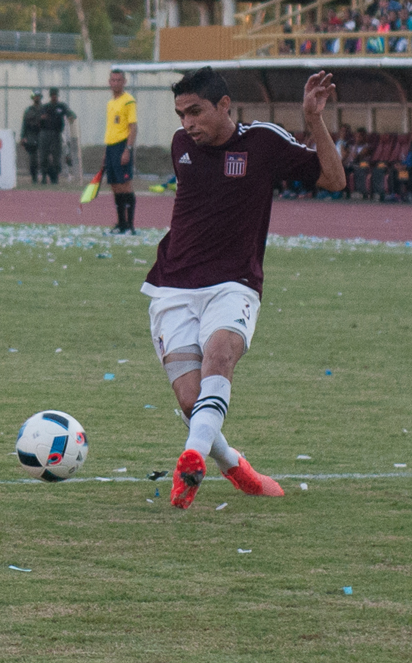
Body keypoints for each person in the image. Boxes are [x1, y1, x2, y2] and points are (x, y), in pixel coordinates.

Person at [141, 67, 345, 509]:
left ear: (224, 105)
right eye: (180, 115)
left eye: (195, 112)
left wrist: (314, 120)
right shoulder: (182, 148)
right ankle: (235, 466)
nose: (187, 124)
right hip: (172, 286)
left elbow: (334, 180)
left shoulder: (263, 142)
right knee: (191, 401)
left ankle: (191, 458)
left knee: (220, 355)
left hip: (234, 284)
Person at [104, 70, 138, 234]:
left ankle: (130, 224)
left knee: (125, 185)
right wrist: (106, 152)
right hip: (111, 147)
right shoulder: (111, 103)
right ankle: (121, 223)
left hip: (122, 146)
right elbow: (111, 127)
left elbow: (133, 127)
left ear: (124, 82)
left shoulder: (128, 101)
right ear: (109, 82)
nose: (115, 83)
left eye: (118, 80)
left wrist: (128, 149)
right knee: (115, 186)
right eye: (113, 80)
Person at [38, 87, 76, 185]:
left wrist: (70, 116)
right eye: (52, 95)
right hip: (45, 133)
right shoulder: (45, 107)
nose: (54, 97)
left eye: (55, 95)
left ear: (57, 95)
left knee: (56, 157)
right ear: (50, 96)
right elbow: (39, 118)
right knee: (43, 157)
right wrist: (41, 118)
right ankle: (43, 177)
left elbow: (69, 112)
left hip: (56, 133)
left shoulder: (61, 106)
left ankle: (55, 179)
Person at [20, 89, 43, 184]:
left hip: (42, 135)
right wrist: (23, 137)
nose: (36, 98)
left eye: (38, 96)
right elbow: (24, 124)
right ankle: (34, 178)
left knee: (44, 158)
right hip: (31, 136)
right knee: (33, 159)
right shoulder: (28, 110)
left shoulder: (44, 109)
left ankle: (45, 177)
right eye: (35, 96)